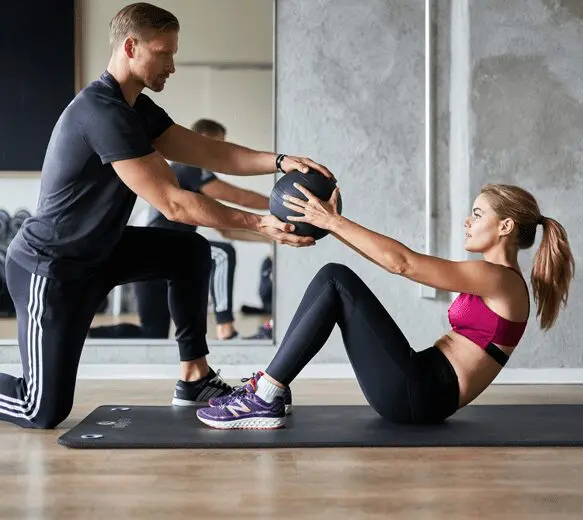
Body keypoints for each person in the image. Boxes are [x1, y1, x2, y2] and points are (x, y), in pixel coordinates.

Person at [0, 2, 333, 429]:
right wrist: (260, 224)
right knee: (42, 410)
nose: (172, 66)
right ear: (131, 46)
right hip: (52, 266)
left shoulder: (137, 109)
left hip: (101, 252)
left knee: (189, 251)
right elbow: (173, 203)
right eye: (165, 52)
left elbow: (211, 152)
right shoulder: (102, 112)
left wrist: (281, 160)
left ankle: (194, 377)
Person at [196, 183, 575, 430]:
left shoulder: (499, 280)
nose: (467, 221)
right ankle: (270, 387)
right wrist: (332, 227)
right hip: (421, 385)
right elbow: (393, 263)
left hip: (420, 394)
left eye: (477, 214)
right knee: (336, 280)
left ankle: (265, 395)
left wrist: (335, 221)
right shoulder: (495, 277)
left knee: (334, 280)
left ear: (505, 227)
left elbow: (403, 263)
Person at [88, 118, 272, 342]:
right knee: (222, 254)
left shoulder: (195, 181)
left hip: (160, 256)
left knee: (152, 334)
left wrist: (271, 238)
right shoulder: (190, 168)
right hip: (157, 250)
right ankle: (226, 329)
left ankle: (87, 333)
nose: (219, 150)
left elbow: (228, 231)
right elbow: (236, 197)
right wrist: (279, 204)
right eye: (218, 143)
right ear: (202, 140)